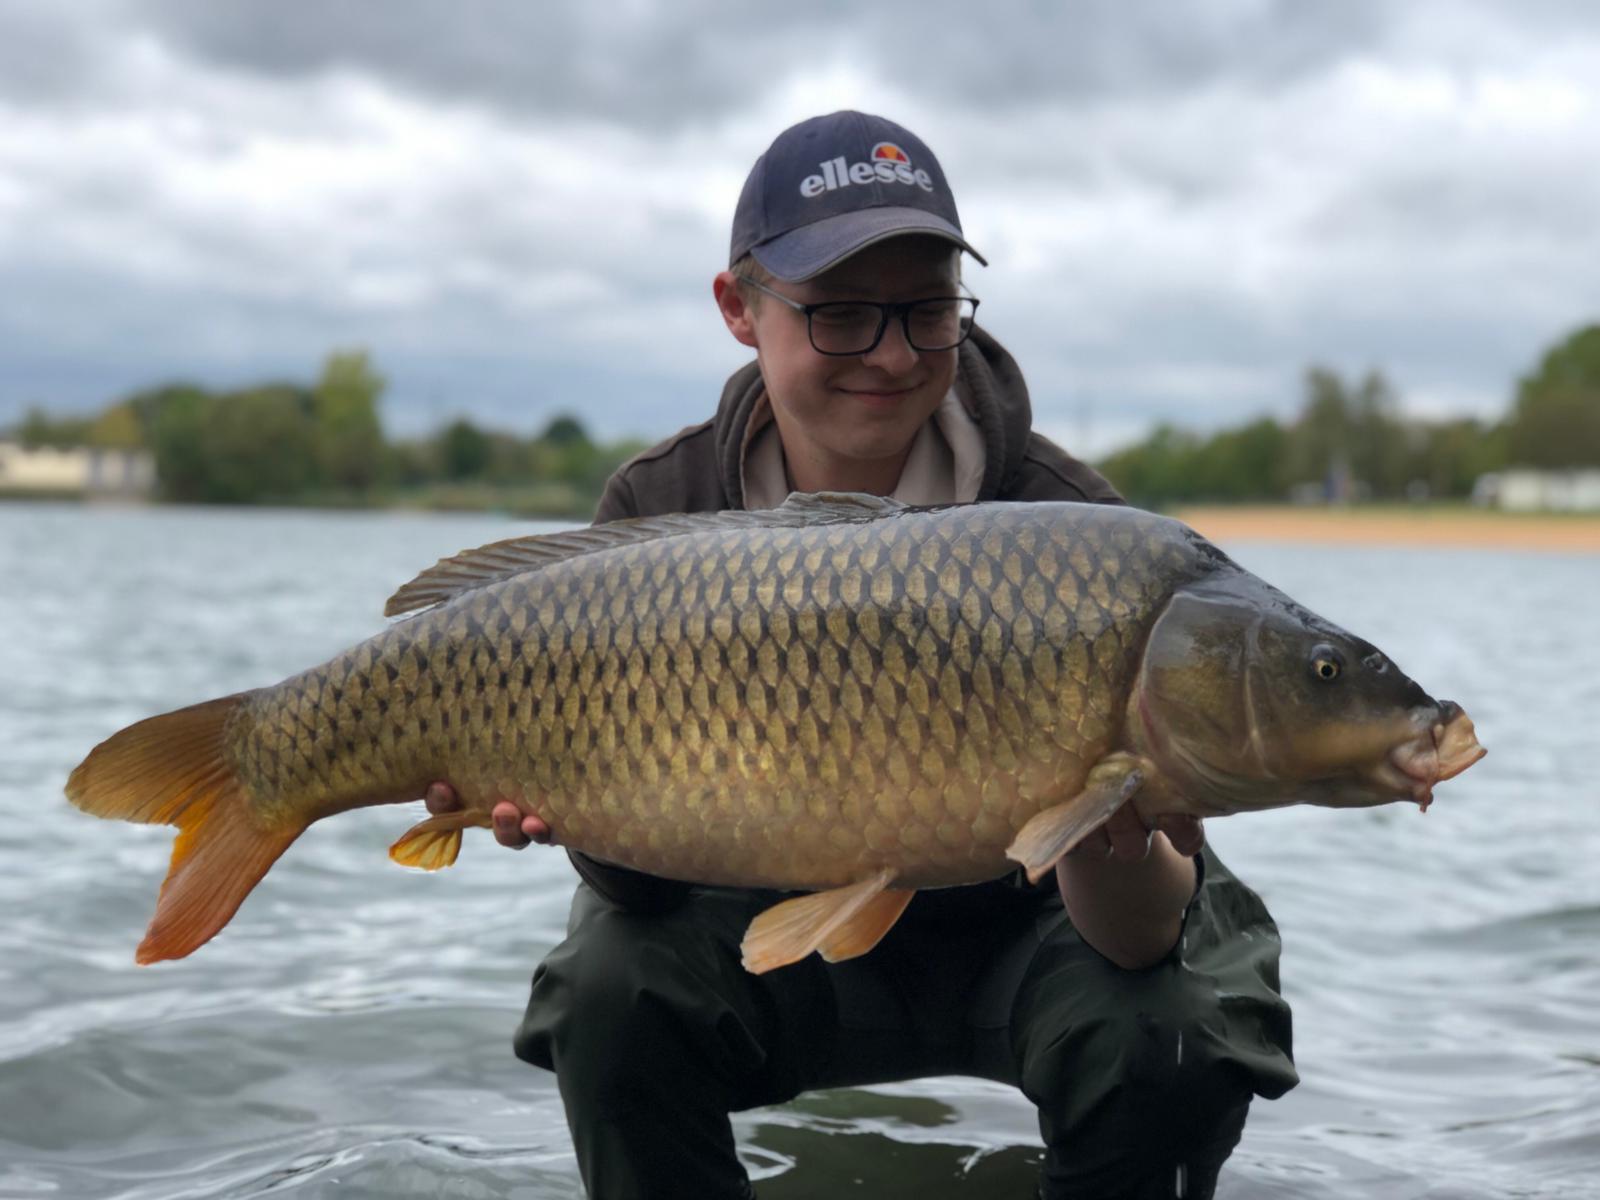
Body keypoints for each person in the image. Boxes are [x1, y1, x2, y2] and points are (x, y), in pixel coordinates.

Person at [427, 111, 1297, 1199]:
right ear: (739, 309)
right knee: (605, 989)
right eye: (841, 316)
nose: (890, 354)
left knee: (1171, 1022)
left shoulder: (1071, 526)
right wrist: (562, 805)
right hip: (765, 937)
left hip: (1031, 939)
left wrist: (1106, 828)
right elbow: (638, 901)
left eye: (926, 313)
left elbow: (1136, 943)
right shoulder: (658, 507)